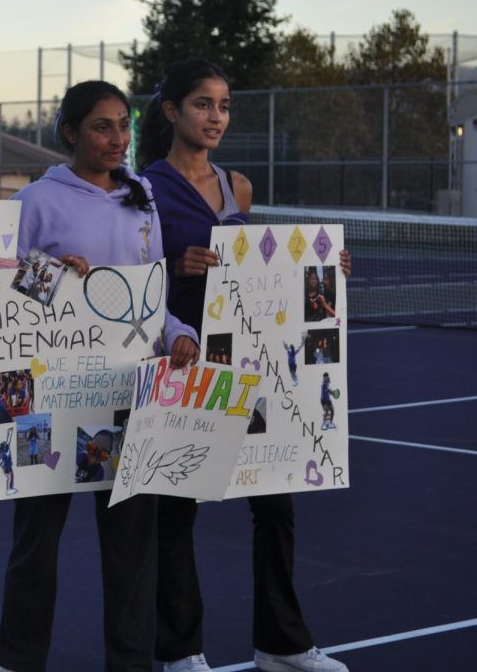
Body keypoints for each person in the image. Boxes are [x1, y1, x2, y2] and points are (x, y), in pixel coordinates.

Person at [139, 58, 348, 672]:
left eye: (224, 106)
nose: (216, 117)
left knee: (276, 508)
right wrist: (174, 270)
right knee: (176, 512)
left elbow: (256, 272)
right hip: (183, 362)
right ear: (173, 111)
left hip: (250, 367)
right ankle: (180, 653)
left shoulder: (239, 187)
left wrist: (323, 275)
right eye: (203, 104)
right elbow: (131, 278)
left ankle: (280, 644)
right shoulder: (144, 188)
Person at [0, 80, 200, 672]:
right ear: (71, 132)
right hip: (51, 402)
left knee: (133, 547)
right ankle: (18, 661)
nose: (116, 138)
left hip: (130, 398)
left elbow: (151, 296)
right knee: (36, 544)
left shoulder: (144, 199)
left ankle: (131, 664)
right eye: (101, 127)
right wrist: (49, 273)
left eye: (123, 126)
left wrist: (179, 331)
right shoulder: (36, 200)